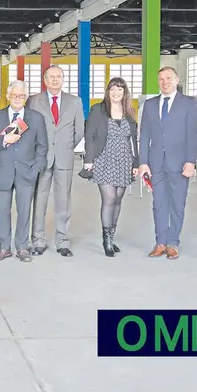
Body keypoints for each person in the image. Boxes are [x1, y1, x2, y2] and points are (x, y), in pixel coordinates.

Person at [138, 67, 197, 260]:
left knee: (177, 205)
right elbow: (144, 135)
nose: (164, 82)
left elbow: (193, 134)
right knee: (159, 205)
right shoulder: (149, 105)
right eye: (161, 79)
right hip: (156, 164)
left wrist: (191, 161)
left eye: (168, 78)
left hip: (180, 163)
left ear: (176, 79)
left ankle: (173, 243)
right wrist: (143, 162)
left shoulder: (189, 103)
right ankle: (160, 242)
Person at [0, 81, 48, 262]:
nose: (18, 99)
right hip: (3, 173)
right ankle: (4, 248)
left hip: (27, 173)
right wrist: (4, 140)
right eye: (14, 95)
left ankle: (22, 247)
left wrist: (36, 168)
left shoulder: (36, 118)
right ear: (7, 96)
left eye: (21, 96)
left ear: (26, 97)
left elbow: (42, 146)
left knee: (24, 211)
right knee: (2, 211)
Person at [27, 65, 84, 257]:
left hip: (64, 158)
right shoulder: (34, 101)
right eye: (51, 76)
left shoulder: (75, 102)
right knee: (39, 200)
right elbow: (28, 127)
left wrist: (66, 146)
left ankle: (62, 240)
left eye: (58, 76)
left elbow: (79, 130)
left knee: (63, 201)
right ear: (44, 79)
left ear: (63, 79)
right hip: (41, 158)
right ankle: (38, 240)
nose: (55, 80)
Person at [83, 77, 139, 257]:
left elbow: (134, 139)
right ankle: (106, 240)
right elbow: (89, 135)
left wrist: (136, 162)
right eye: (113, 89)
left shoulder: (129, 112)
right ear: (108, 91)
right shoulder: (98, 110)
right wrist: (89, 159)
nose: (116, 93)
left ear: (125, 93)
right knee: (109, 198)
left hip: (124, 159)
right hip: (103, 158)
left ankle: (112, 236)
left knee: (118, 199)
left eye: (120, 90)